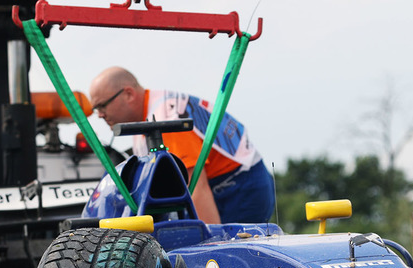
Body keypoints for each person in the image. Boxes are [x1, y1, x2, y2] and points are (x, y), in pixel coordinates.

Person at [89, 66, 275, 224]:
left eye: (102, 106)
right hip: (229, 182)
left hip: (238, 187)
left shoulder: (165, 118)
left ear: (128, 94)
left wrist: (209, 248)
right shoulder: (149, 114)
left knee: (225, 257)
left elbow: (196, 186)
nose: (99, 114)